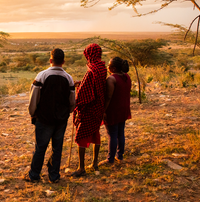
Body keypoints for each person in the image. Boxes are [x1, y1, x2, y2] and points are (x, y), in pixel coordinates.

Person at [24, 48, 76, 183]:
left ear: (50, 60)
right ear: (63, 61)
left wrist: (33, 113)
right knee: (57, 148)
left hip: (44, 118)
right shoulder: (68, 78)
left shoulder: (41, 76)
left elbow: (34, 98)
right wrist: (67, 112)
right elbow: (72, 101)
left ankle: (34, 175)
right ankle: (54, 176)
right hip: (61, 120)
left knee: (40, 147)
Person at [71, 43, 107, 177]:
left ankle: (81, 168)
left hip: (89, 107)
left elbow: (84, 92)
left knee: (81, 135)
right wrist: (81, 83)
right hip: (99, 106)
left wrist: (76, 99)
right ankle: (95, 163)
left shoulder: (91, 70)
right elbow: (93, 85)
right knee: (95, 133)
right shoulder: (102, 67)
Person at [99, 57, 132, 166]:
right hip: (124, 108)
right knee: (120, 132)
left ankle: (110, 159)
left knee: (112, 134)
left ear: (113, 68)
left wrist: (104, 110)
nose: (107, 67)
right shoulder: (126, 76)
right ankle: (120, 155)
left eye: (108, 65)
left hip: (113, 109)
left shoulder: (111, 79)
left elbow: (108, 97)